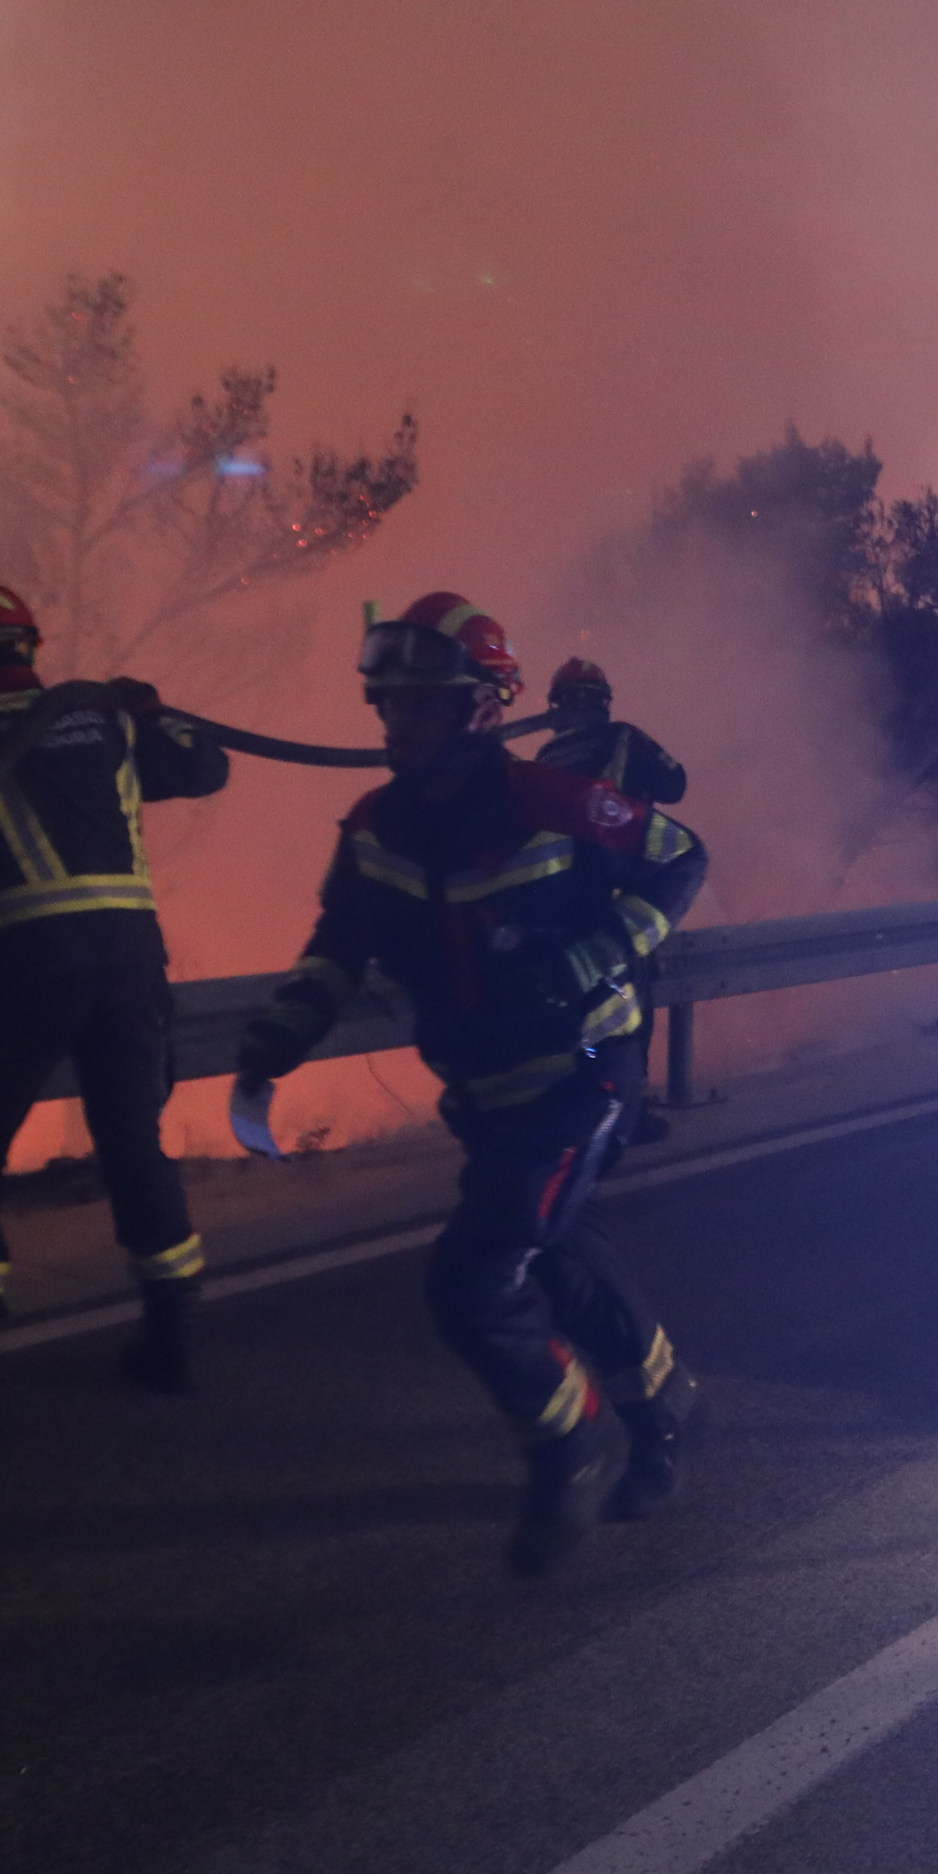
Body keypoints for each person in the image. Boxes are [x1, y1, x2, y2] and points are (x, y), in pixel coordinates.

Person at [228, 593, 710, 1577]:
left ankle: (571, 1444)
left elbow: (679, 857)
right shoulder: (375, 826)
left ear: (484, 707)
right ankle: (665, 1409)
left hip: (579, 1077)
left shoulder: (553, 800)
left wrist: (595, 958)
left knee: (476, 1277)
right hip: (487, 1094)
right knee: (562, 1257)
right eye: (390, 705)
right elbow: (337, 943)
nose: (398, 726)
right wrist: (281, 1032)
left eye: (422, 706)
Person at [0, 579, 232, 1446]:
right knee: (133, 1149)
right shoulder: (107, 722)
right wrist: (152, 714)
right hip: (128, 966)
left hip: (27, 968)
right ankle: (174, 1346)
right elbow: (204, 766)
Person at [533, 657, 689, 805]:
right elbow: (674, 786)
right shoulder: (624, 735)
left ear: (558, 703)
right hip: (617, 832)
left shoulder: (545, 755)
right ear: (602, 700)